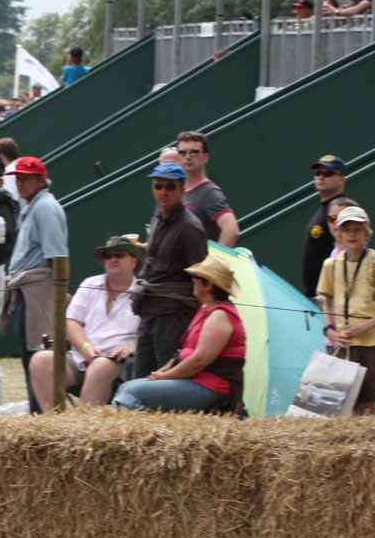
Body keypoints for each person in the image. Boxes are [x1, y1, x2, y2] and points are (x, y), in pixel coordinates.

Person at [114, 254, 245, 413]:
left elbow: (199, 361)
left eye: (197, 277)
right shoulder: (206, 311)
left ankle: (128, 437)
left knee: (131, 393)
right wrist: (164, 370)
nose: (192, 280)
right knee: (126, 387)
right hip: (195, 381)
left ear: (209, 285)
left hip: (210, 386)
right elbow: (183, 353)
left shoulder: (220, 316)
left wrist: (166, 376)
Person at [29, 235, 140, 410]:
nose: (113, 259)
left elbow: (152, 333)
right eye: (108, 256)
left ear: (134, 261)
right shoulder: (90, 284)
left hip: (122, 362)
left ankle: (84, 431)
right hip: (83, 356)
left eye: (119, 255)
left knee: (100, 366)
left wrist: (133, 348)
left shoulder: (143, 291)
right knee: (40, 360)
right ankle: (53, 425)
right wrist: (85, 347)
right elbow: (72, 321)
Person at [317, 207, 375, 416]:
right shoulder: (331, 265)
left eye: (358, 229)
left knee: (368, 403)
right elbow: (326, 301)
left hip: (372, 342)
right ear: (339, 233)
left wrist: (367, 325)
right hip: (343, 341)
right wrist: (330, 330)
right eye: (347, 230)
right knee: (335, 402)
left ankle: (369, 443)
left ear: (367, 233)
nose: (352, 234)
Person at [2, 155, 68, 403]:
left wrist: (57, 295)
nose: (20, 183)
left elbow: (57, 257)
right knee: (32, 357)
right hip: (29, 288)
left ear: (41, 181)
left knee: (38, 357)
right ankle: (39, 412)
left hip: (38, 290)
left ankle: (43, 413)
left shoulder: (44, 208)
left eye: (26, 178)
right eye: (18, 178)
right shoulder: (34, 207)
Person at [134, 162, 208, 380]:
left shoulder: (190, 227)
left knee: (167, 377)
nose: (163, 191)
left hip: (174, 314)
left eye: (170, 187)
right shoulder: (158, 218)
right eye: (158, 186)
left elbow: (202, 274)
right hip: (149, 309)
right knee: (141, 376)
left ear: (182, 189)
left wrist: (201, 316)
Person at [175, 131, 239, 247]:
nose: (188, 157)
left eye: (194, 153)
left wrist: (213, 263)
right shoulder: (177, 192)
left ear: (205, 157)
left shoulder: (209, 192)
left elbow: (231, 229)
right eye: (182, 153)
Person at [302, 154, 348, 297]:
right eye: (318, 173)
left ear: (342, 179)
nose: (321, 177)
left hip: (331, 296)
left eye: (328, 173)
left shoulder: (340, 209)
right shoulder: (324, 209)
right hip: (319, 296)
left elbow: (349, 249)